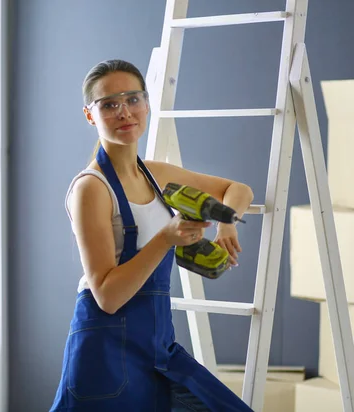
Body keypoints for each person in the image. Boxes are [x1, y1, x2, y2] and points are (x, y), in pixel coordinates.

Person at [49, 59, 256, 412]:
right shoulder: (91, 188)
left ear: (146, 104)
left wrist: (227, 224)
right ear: (90, 115)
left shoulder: (155, 175)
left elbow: (238, 189)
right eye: (109, 104)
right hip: (105, 352)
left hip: (158, 345)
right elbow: (108, 297)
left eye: (133, 99)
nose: (124, 111)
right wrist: (166, 238)